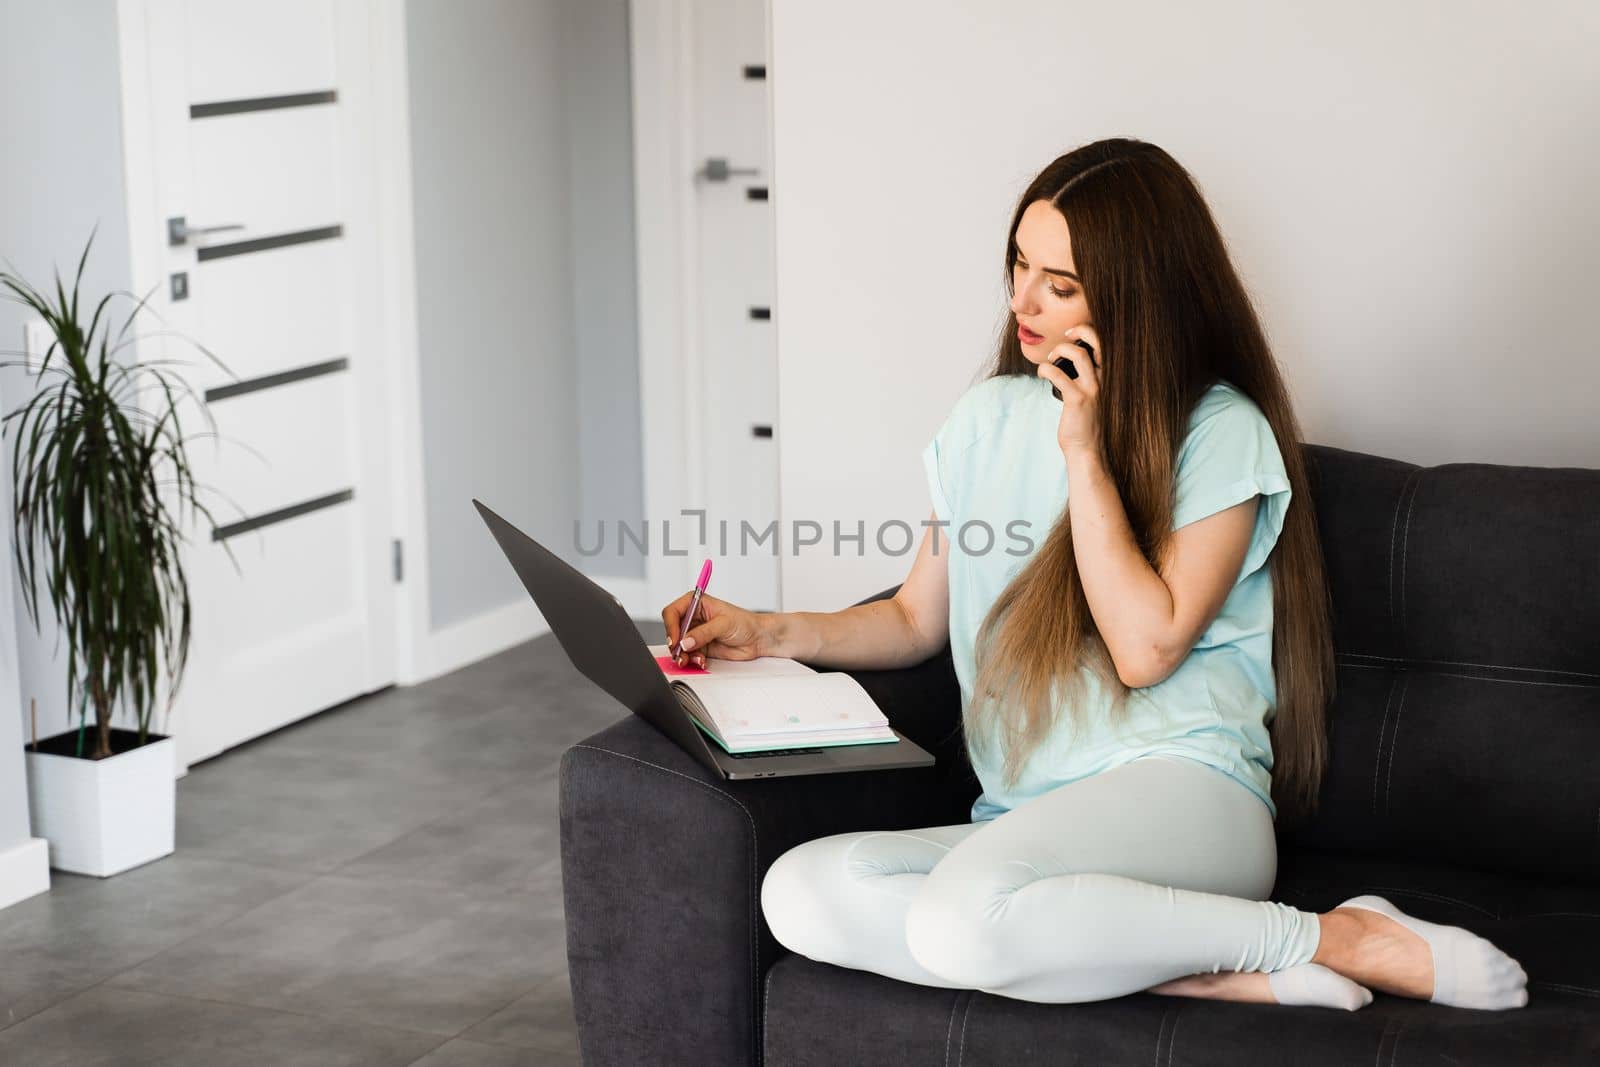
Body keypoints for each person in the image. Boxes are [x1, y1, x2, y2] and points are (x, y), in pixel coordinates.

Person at [662, 138, 1528, 1012]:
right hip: (1027, 823)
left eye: (1060, 284)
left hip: (1187, 792)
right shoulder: (986, 418)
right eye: (1018, 264)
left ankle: (1333, 934)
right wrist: (764, 630)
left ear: (1135, 296)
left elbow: (1145, 648)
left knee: (960, 921)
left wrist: (1084, 450)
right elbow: (916, 617)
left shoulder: (1219, 430)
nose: (1022, 301)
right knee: (800, 892)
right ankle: (1194, 969)